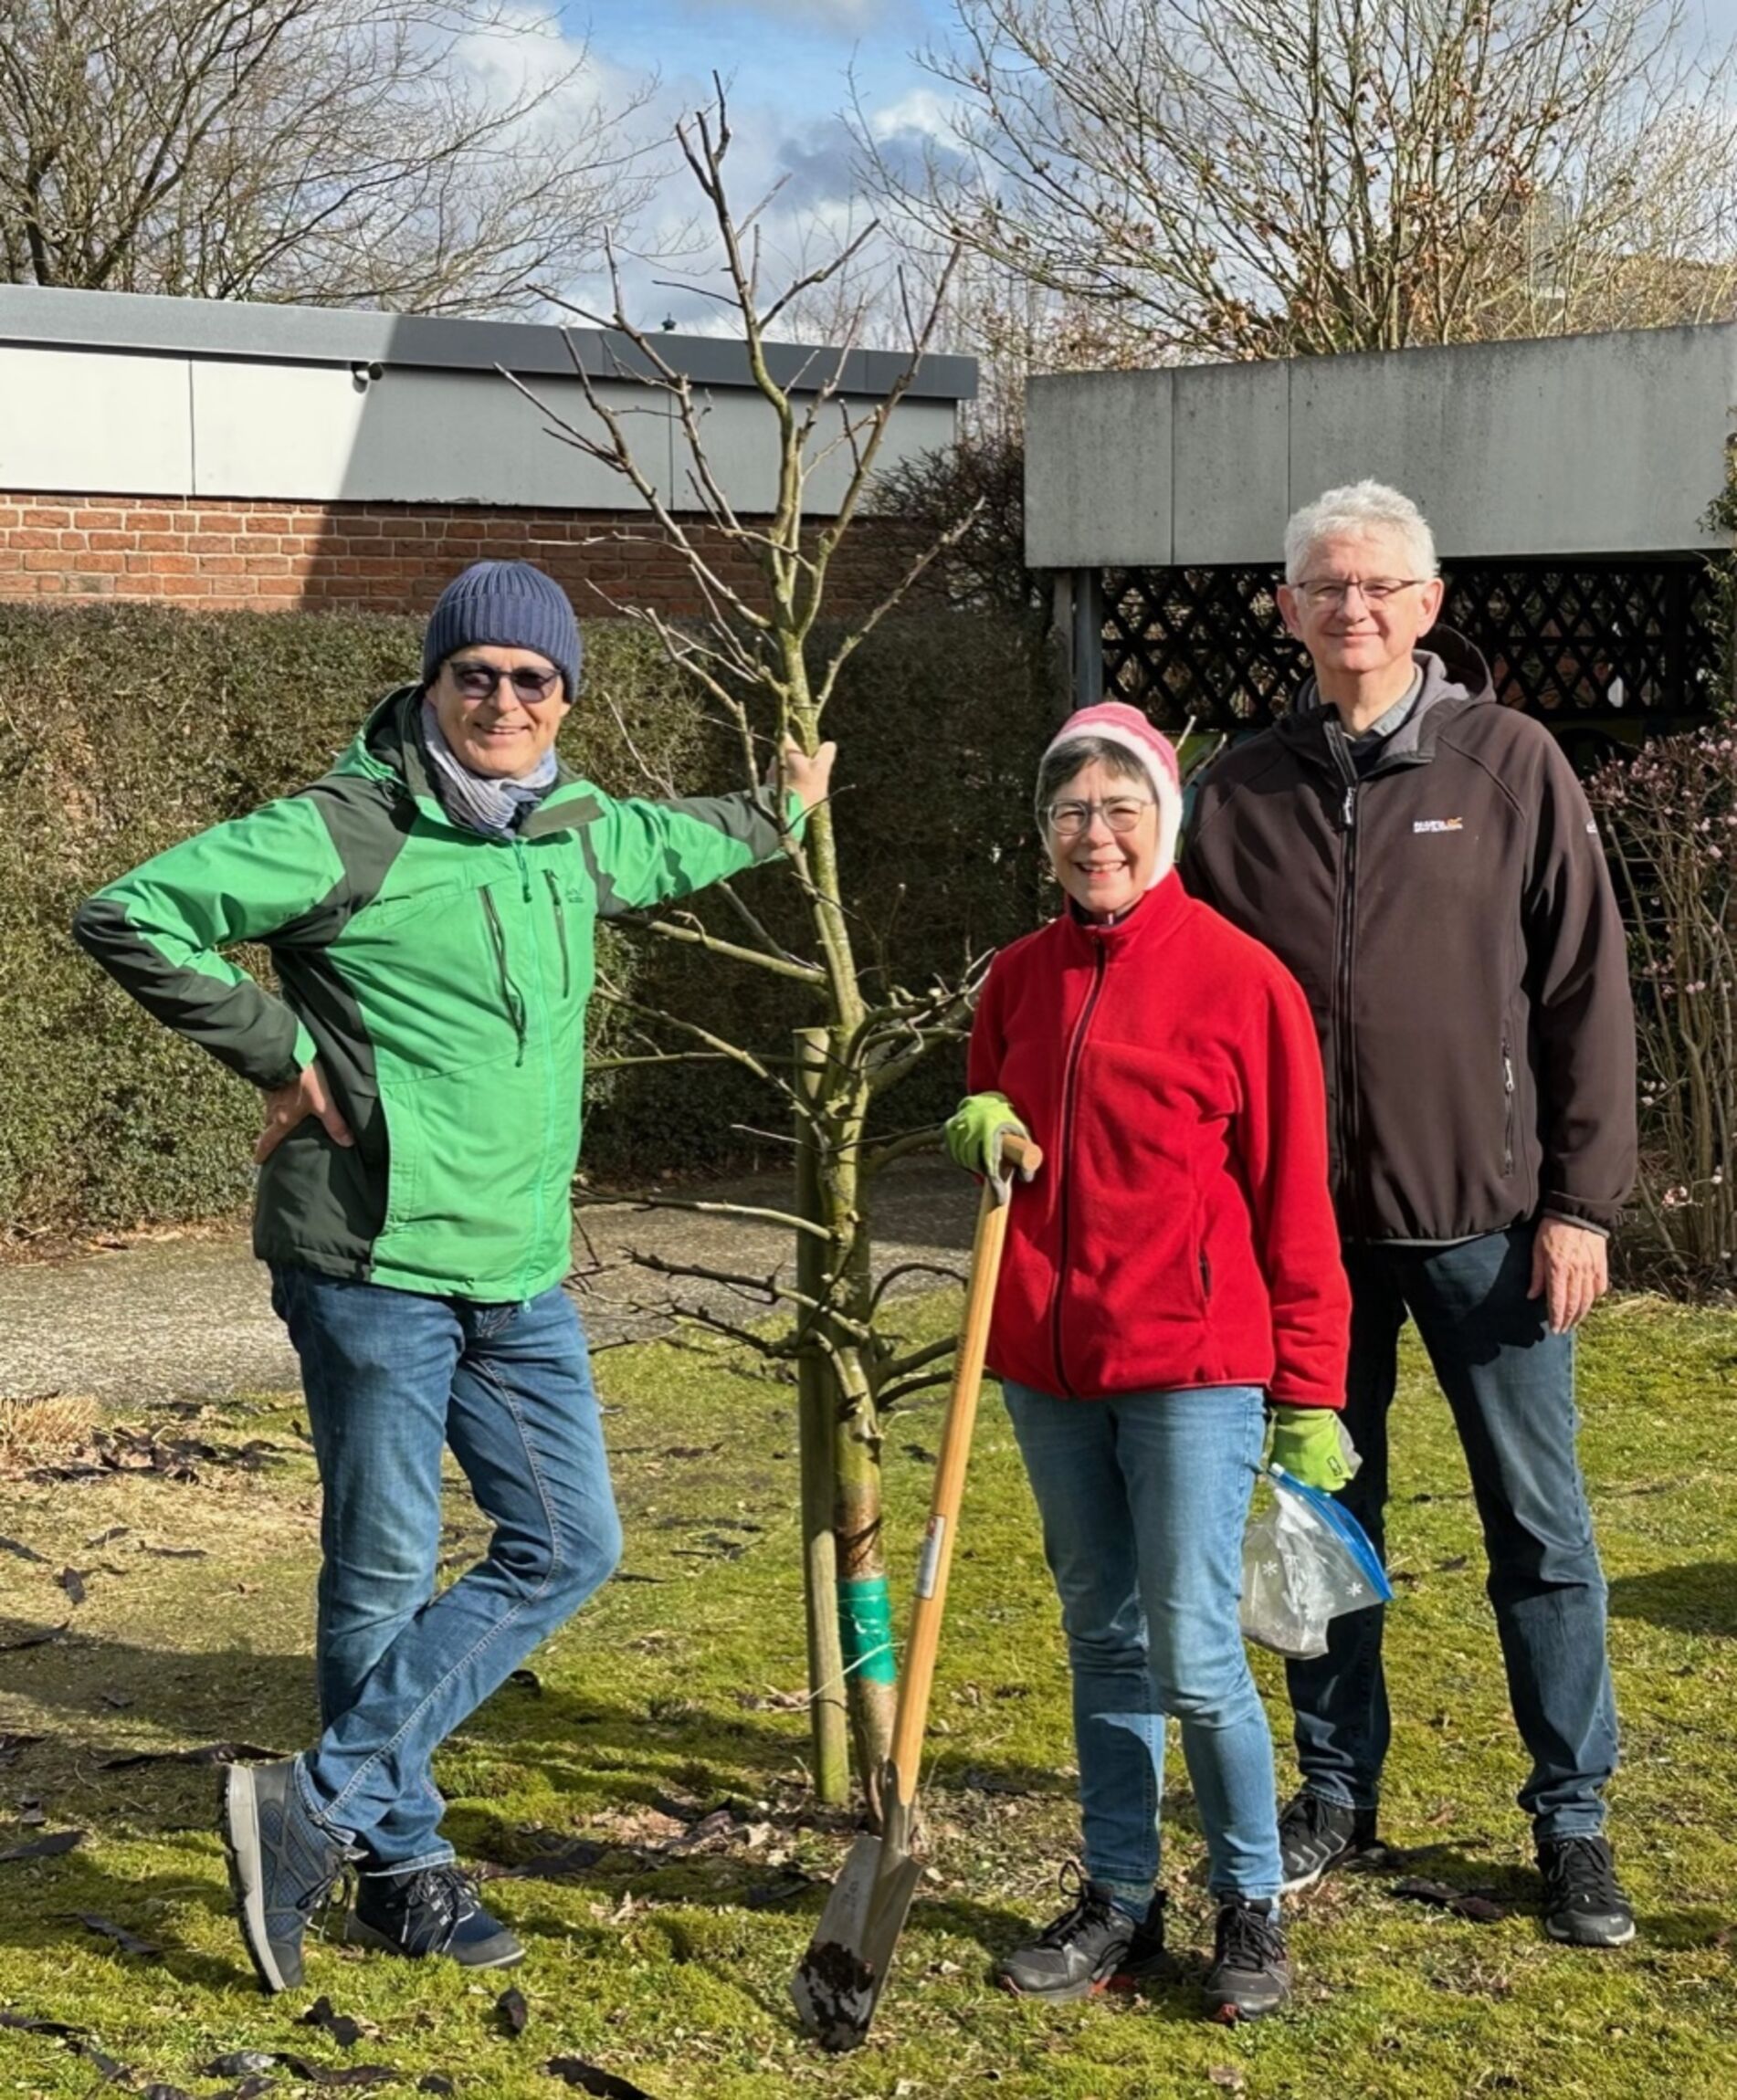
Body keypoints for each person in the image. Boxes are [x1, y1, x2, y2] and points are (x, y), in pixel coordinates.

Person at [74, 560, 834, 1994]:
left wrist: (782, 811)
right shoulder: (345, 829)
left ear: (565, 700)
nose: (502, 699)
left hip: (517, 1267)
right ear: (431, 686)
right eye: (473, 673)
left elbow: (671, 845)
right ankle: (400, 1872)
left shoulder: (572, 829)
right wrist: (278, 1052)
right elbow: (130, 913)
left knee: (569, 1543)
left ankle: (315, 1804)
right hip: (373, 1261)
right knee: (382, 1566)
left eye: (531, 678)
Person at [1183, 480, 1638, 1948]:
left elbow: (1583, 989)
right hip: (1302, 1245)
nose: (1353, 608)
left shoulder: (1509, 764)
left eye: (1380, 585)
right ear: (1287, 608)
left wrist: (1580, 1204)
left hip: (1489, 1228)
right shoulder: (1235, 792)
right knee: (1322, 1519)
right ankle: (1334, 1791)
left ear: (1428, 606)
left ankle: (1571, 1819)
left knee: (1538, 1529)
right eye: (1325, 585)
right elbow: (1183, 1002)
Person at [944, 701, 1351, 2022]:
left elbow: (1294, 1199)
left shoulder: (1243, 980)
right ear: (1043, 831)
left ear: (1164, 821)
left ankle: (1249, 1901)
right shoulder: (1018, 977)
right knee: (1102, 1640)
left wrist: (1311, 1388)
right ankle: (1120, 1893)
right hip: (1048, 1365)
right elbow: (992, 1107)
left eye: (1121, 808)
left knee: (1193, 1650)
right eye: (1071, 810)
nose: (1096, 834)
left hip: (1191, 1368)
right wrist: (976, 1118)